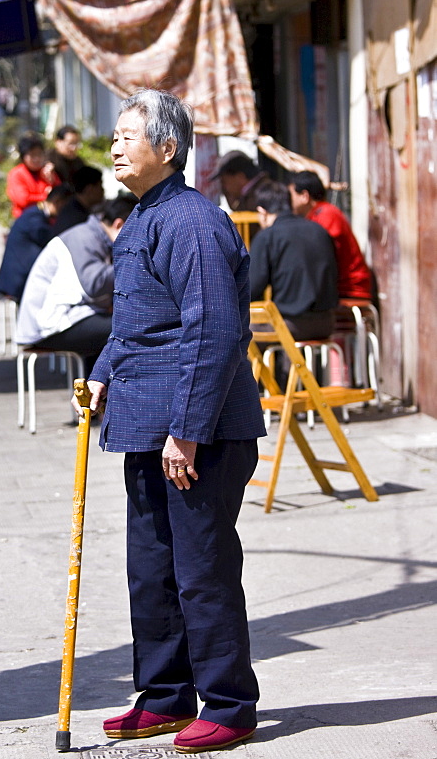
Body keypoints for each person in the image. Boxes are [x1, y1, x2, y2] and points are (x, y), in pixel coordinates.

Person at [84, 91, 265, 754]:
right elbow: (139, 321)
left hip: (198, 432)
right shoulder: (140, 219)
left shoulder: (190, 221)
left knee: (201, 568)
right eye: (114, 136)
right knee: (152, 568)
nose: (115, 146)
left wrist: (185, 429)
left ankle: (229, 703)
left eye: (128, 136)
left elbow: (213, 330)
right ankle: (164, 696)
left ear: (169, 148)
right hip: (147, 426)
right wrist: (103, 368)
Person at [16, 196, 136, 375]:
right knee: (124, 328)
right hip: (51, 325)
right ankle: (101, 397)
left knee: (120, 327)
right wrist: (132, 262)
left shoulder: (93, 235)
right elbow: (93, 284)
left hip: (69, 317)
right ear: (119, 225)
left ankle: (94, 397)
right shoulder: (84, 237)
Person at [250, 180, 338, 340]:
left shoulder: (267, 236)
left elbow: (252, 288)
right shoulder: (318, 230)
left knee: (236, 332)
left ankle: (273, 366)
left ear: (262, 212)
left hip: (289, 325)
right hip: (327, 323)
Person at [288, 170, 373, 301]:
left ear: (304, 196)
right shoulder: (318, 215)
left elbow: (320, 257)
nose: (289, 202)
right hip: (336, 288)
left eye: (291, 196)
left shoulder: (327, 215)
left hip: (350, 288)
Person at [0, 183, 74, 303]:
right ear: (58, 201)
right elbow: (51, 241)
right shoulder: (34, 219)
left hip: (19, 277)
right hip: (19, 281)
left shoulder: (34, 214)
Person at [6, 133, 56, 218]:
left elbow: (60, 194)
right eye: (32, 155)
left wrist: (51, 179)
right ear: (23, 156)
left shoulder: (46, 171)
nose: (36, 159)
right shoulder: (17, 173)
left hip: (49, 219)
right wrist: (45, 196)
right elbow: (23, 200)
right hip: (26, 219)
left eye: (39, 154)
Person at [50, 164, 105, 236]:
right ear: (90, 189)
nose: (102, 190)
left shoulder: (72, 208)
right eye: (100, 186)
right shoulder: (77, 217)